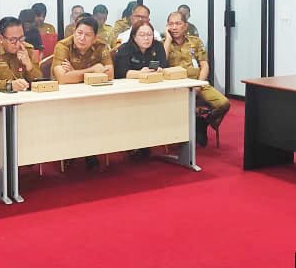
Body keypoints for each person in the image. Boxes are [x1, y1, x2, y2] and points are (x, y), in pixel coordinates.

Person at [52, 15, 115, 169]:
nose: (82, 38)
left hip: (92, 95)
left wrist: (74, 72)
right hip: (65, 97)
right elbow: (62, 78)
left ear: (95, 37)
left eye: (87, 35)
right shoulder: (63, 46)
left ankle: (90, 151)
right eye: (79, 33)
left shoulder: (101, 46)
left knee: (96, 113)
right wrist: (92, 71)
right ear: (74, 31)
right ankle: (68, 152)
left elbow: (109, 74)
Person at [165, 11, 230, 148]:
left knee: (223, 103)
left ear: (185, 26)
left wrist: (199, 84)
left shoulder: (195, 41)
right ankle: (179, 135)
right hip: (175, 87)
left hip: (197, 82)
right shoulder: (163, 43)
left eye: (178, 23)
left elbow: (204, 65)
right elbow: (161, 62)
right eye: (171, 24)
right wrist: (168, 41)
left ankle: (203, 123)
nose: (174, 27)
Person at [114, 19, 169, 159]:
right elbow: (120, 73)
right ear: (134, 36)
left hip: (153, 89)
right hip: (128, 92)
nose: (146, 38)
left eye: (149, 35)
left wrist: (159, 70)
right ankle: (135, 144)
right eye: (142, 35)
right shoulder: (125, 49)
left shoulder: (157, 46)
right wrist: (140, 73)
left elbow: (163, 65)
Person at [0, 16, 42, 91]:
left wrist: (29, 65)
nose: (18, 44)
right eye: (13, 40)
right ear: (1, 38)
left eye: (21, 38)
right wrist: (8, 85)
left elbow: (40, 82)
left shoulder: (27, 49)